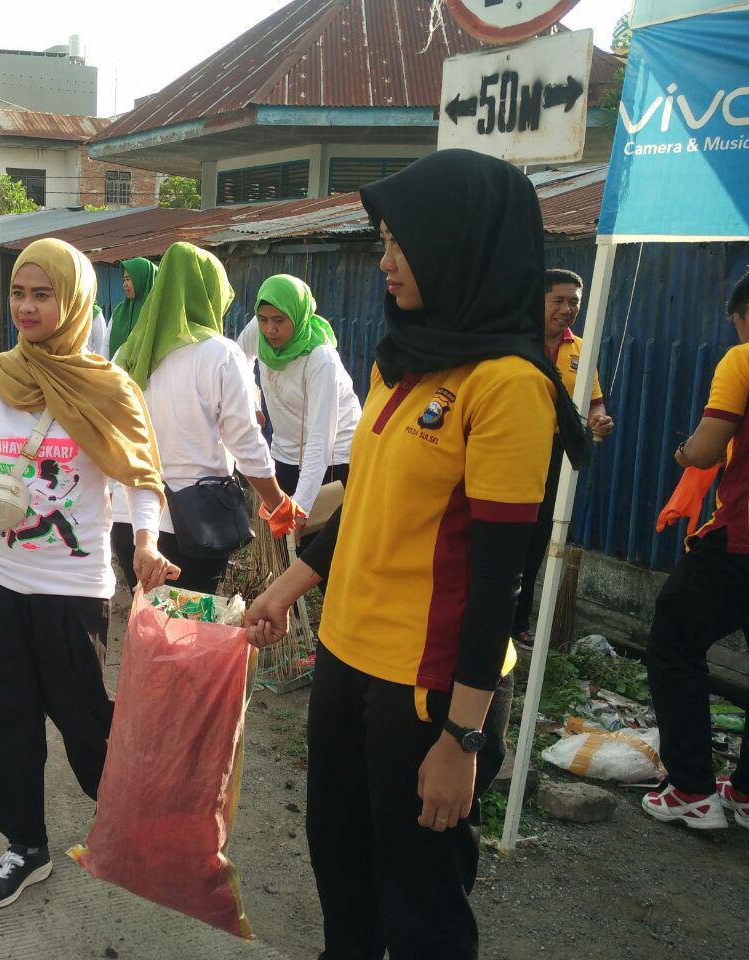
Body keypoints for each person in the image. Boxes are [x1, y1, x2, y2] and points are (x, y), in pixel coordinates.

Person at [245, 150, 591, 960]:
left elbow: (501, 577)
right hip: (346, 656)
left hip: (430, 687)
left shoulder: (508, 385)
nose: (386, 259)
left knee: (422, 905)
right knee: (343, 869)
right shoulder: (403, 362)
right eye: (384, 239)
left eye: (404, 241)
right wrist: (291, 583)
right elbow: (364, 504)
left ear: (461, 245)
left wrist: (463, 739)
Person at [0, 237, 179, 910]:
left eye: (42, 294)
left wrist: (143, 541)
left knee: (87, 724)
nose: (26, 306)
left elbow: (141, 477)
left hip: (71, 590)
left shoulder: (110, 389)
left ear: (73, 299)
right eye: (18, 293)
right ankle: (26, 843)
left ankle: (136, 825)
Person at [110, 242, 298, 593]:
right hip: (195, 527)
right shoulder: (220, 354)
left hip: (131, 523)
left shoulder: (128, 352)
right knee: (188, 639)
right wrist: (277, 503)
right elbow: (245, 441)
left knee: (149, 634)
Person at [643, 271, 749, 831]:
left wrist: (687, 454)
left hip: (740, 542)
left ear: (741, 314)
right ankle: (746, 792)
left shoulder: (742, 360)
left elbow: (708, 446)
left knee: (673, 642)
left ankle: (689, 788)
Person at [511, 268, 615, 644]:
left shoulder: (581, 351)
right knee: (501, 532)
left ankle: (517, 623)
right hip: (509, 449)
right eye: (558, 300)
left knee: (539, 536)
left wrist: (599, 422)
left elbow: (594, 403)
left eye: (574, 302)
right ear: (539, 301)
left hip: (554, 453)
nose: (567, 309)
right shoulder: (515, 342)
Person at [253, 274, 361, 516]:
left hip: (333, 460)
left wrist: (300, 507)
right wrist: (254, 404)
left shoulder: (320, 358)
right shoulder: (259, 333)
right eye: (263, 320)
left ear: (298, 315)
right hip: (285, 453)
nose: (270, 329)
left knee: (319, 544)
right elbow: (238, 362)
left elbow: (321, 438)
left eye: (279, 320)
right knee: (284, 543)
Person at [106, 257, 157, 360]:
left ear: (142, 279)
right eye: (123, 280)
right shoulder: (119, 312)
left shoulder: (156, 311)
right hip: (118, 373)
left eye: (129, 279)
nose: (125, 284)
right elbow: (106, 345)